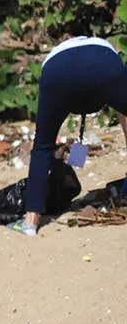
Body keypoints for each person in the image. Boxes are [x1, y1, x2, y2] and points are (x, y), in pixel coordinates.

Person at [11, 35, 127, 236]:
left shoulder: (54, 58)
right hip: (104, 66)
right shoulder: (107, 50)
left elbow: (42, 147)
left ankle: (31, 222)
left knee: (43, 144)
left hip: (58, 75)